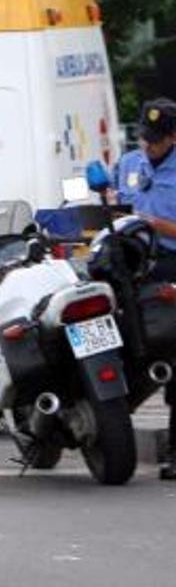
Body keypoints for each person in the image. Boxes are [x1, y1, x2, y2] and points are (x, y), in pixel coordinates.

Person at [130, 98, 176, 479]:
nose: (149, 145)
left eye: (156, 140)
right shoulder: (131, 163)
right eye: (145, 137)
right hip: (132, 264)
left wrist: (153, 223)